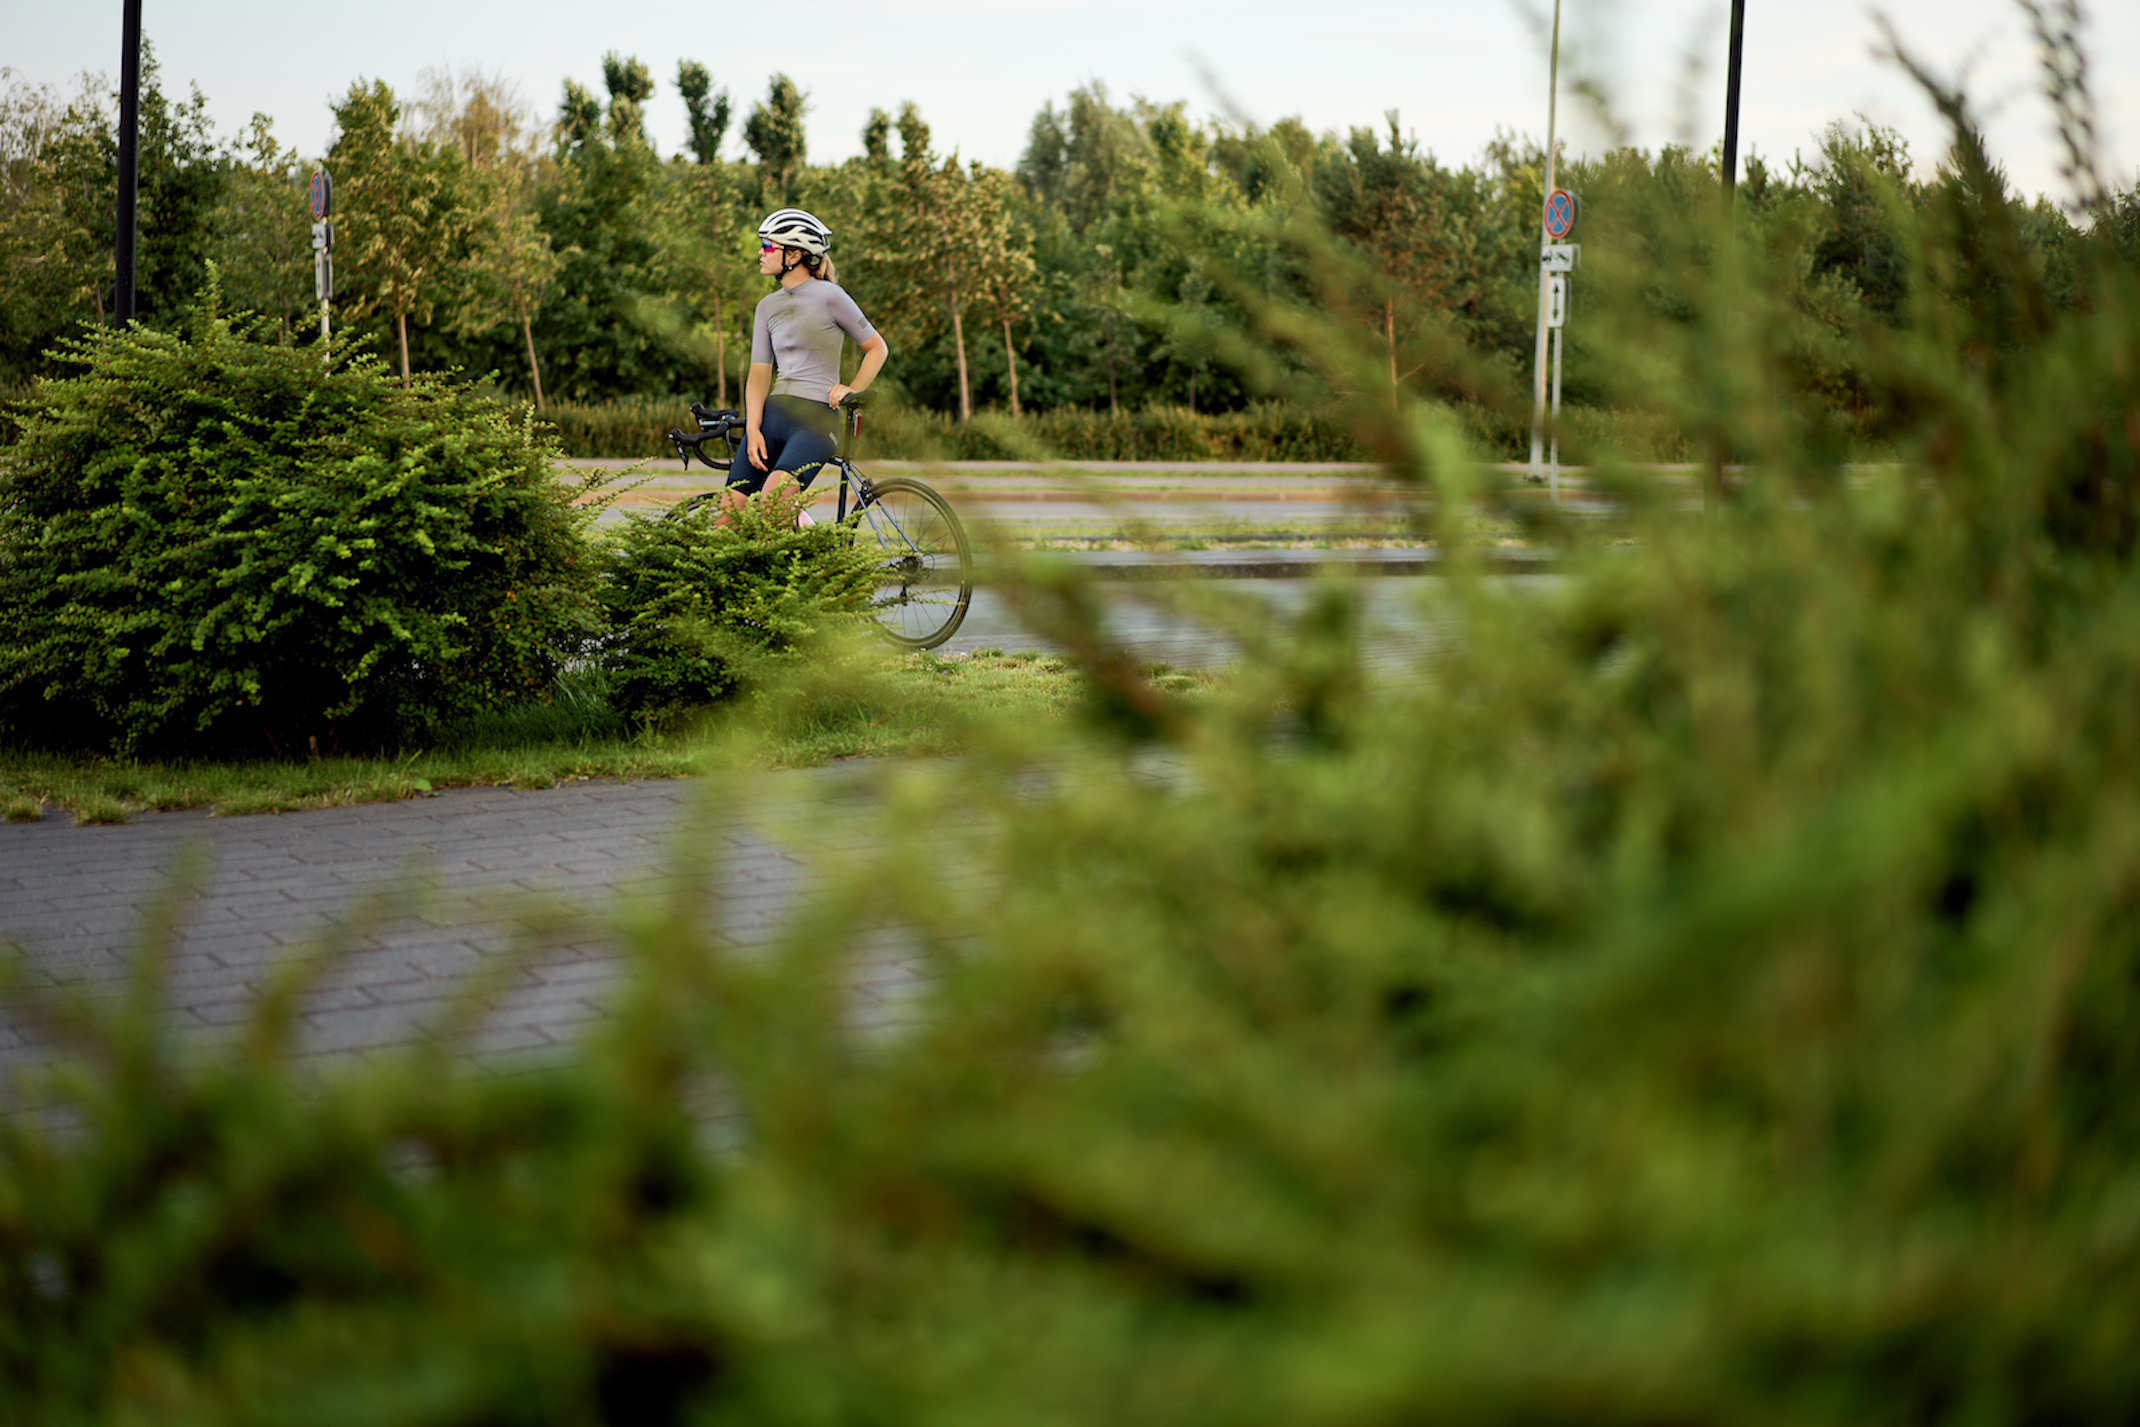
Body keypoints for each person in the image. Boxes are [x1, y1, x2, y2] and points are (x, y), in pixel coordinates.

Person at [723, 207, 890, 523]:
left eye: (768, 246)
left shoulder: (830, 297)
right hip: (772, 417)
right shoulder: (766, 307)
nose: (760, 253)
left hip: (813, 420)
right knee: (727, 517)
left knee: (773, 506)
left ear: (795, 254)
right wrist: (753, 428)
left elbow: (877, 348)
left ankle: (806, 568)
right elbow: (759, 375)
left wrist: (852, 388)